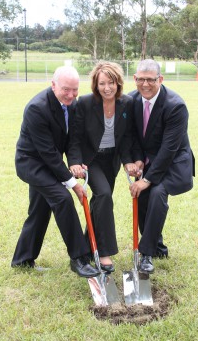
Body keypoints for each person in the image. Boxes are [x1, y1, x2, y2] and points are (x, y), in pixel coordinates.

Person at [11, 66, 100, 278]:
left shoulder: (72, 103)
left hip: (50, 163)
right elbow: (49, 154)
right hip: (32, 164)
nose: (71, 95)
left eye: (75, 90)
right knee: (62, 199)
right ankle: (79, 258)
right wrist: (73, 184)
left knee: (40, 210)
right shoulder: (37, 108)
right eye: (65, 89)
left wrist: (75, 163)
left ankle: (22, 260)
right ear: (53, 85)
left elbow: (72, 139)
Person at [125, 59, 195, 274]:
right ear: (135, 78)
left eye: (150, 80)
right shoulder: (131, 100)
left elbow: (169, 149)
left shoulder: (176, 106)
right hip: (148, 162)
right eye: (140, 79)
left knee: (156, 193)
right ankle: (157, 246)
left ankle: (146, 254)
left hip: (173, 162)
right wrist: (136, 159)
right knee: (143, 198)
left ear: (160, 80)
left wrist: (146, 179)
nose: (145, 84)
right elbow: (131, 136)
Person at [69, 61, 135, 273]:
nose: (107, 88)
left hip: (112, 160)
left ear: (118, 83)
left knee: (100, 203)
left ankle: (87, 248)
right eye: (102, 83)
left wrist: (127, 161)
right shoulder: (86, 103)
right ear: (96, 85)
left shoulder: (127, 103)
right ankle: (104, 253)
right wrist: (74, 162)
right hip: (92, 160)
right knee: (104, 195)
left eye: (111, 82)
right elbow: (75, 138)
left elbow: (126, 138)